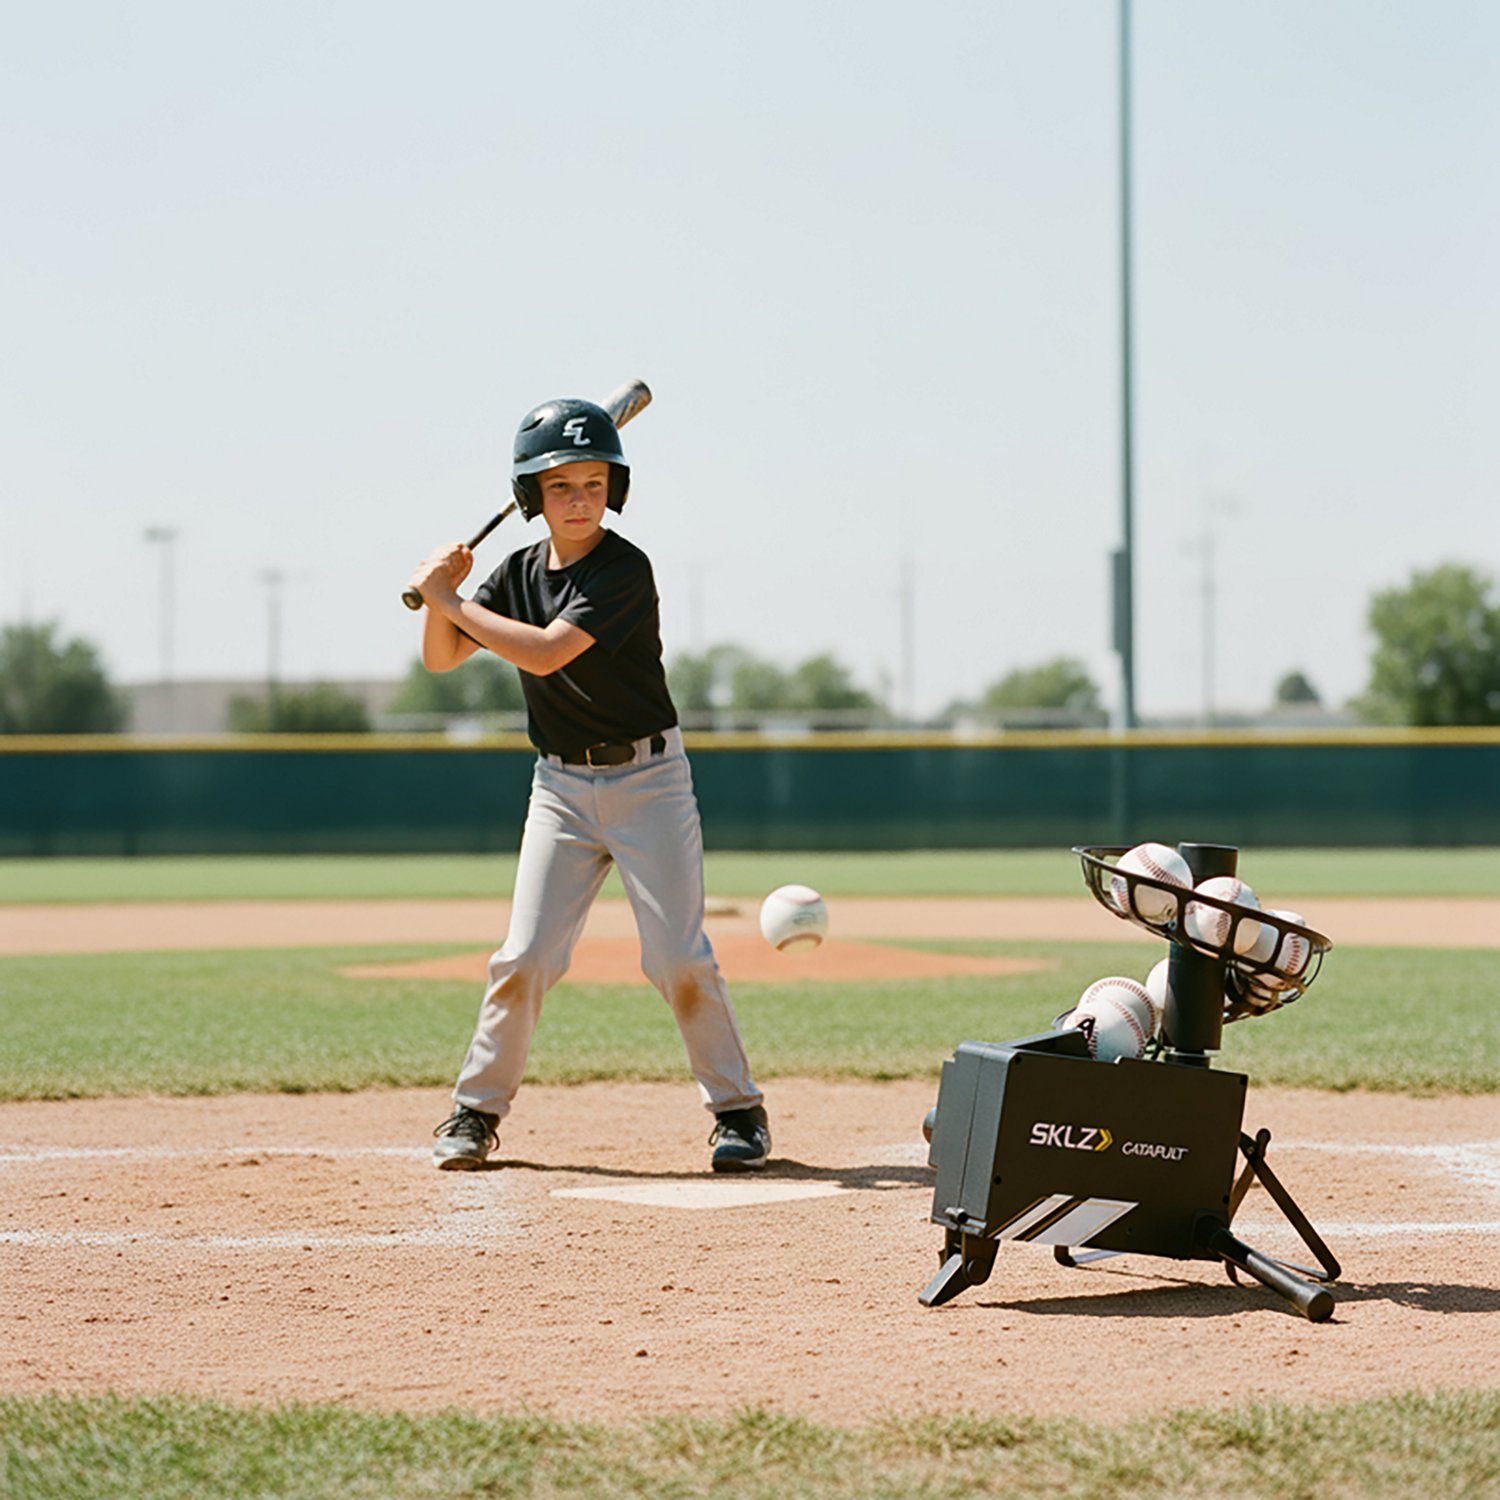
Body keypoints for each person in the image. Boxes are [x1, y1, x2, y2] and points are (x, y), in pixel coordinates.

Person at [406, 396, 770, 1174]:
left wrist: (450, 601)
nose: (580, 500)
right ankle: (474, 1112)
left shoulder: (624, 568)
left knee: (676, 956)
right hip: (560, 791)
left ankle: (739, 1113)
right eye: (562, 485)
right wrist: (445, 597)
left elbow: (543, 654)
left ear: (615, 490)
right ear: (532, 496)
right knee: (525, 955)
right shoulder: (515, 573)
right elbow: (442, 657)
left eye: (595, 483)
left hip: (650, 781)